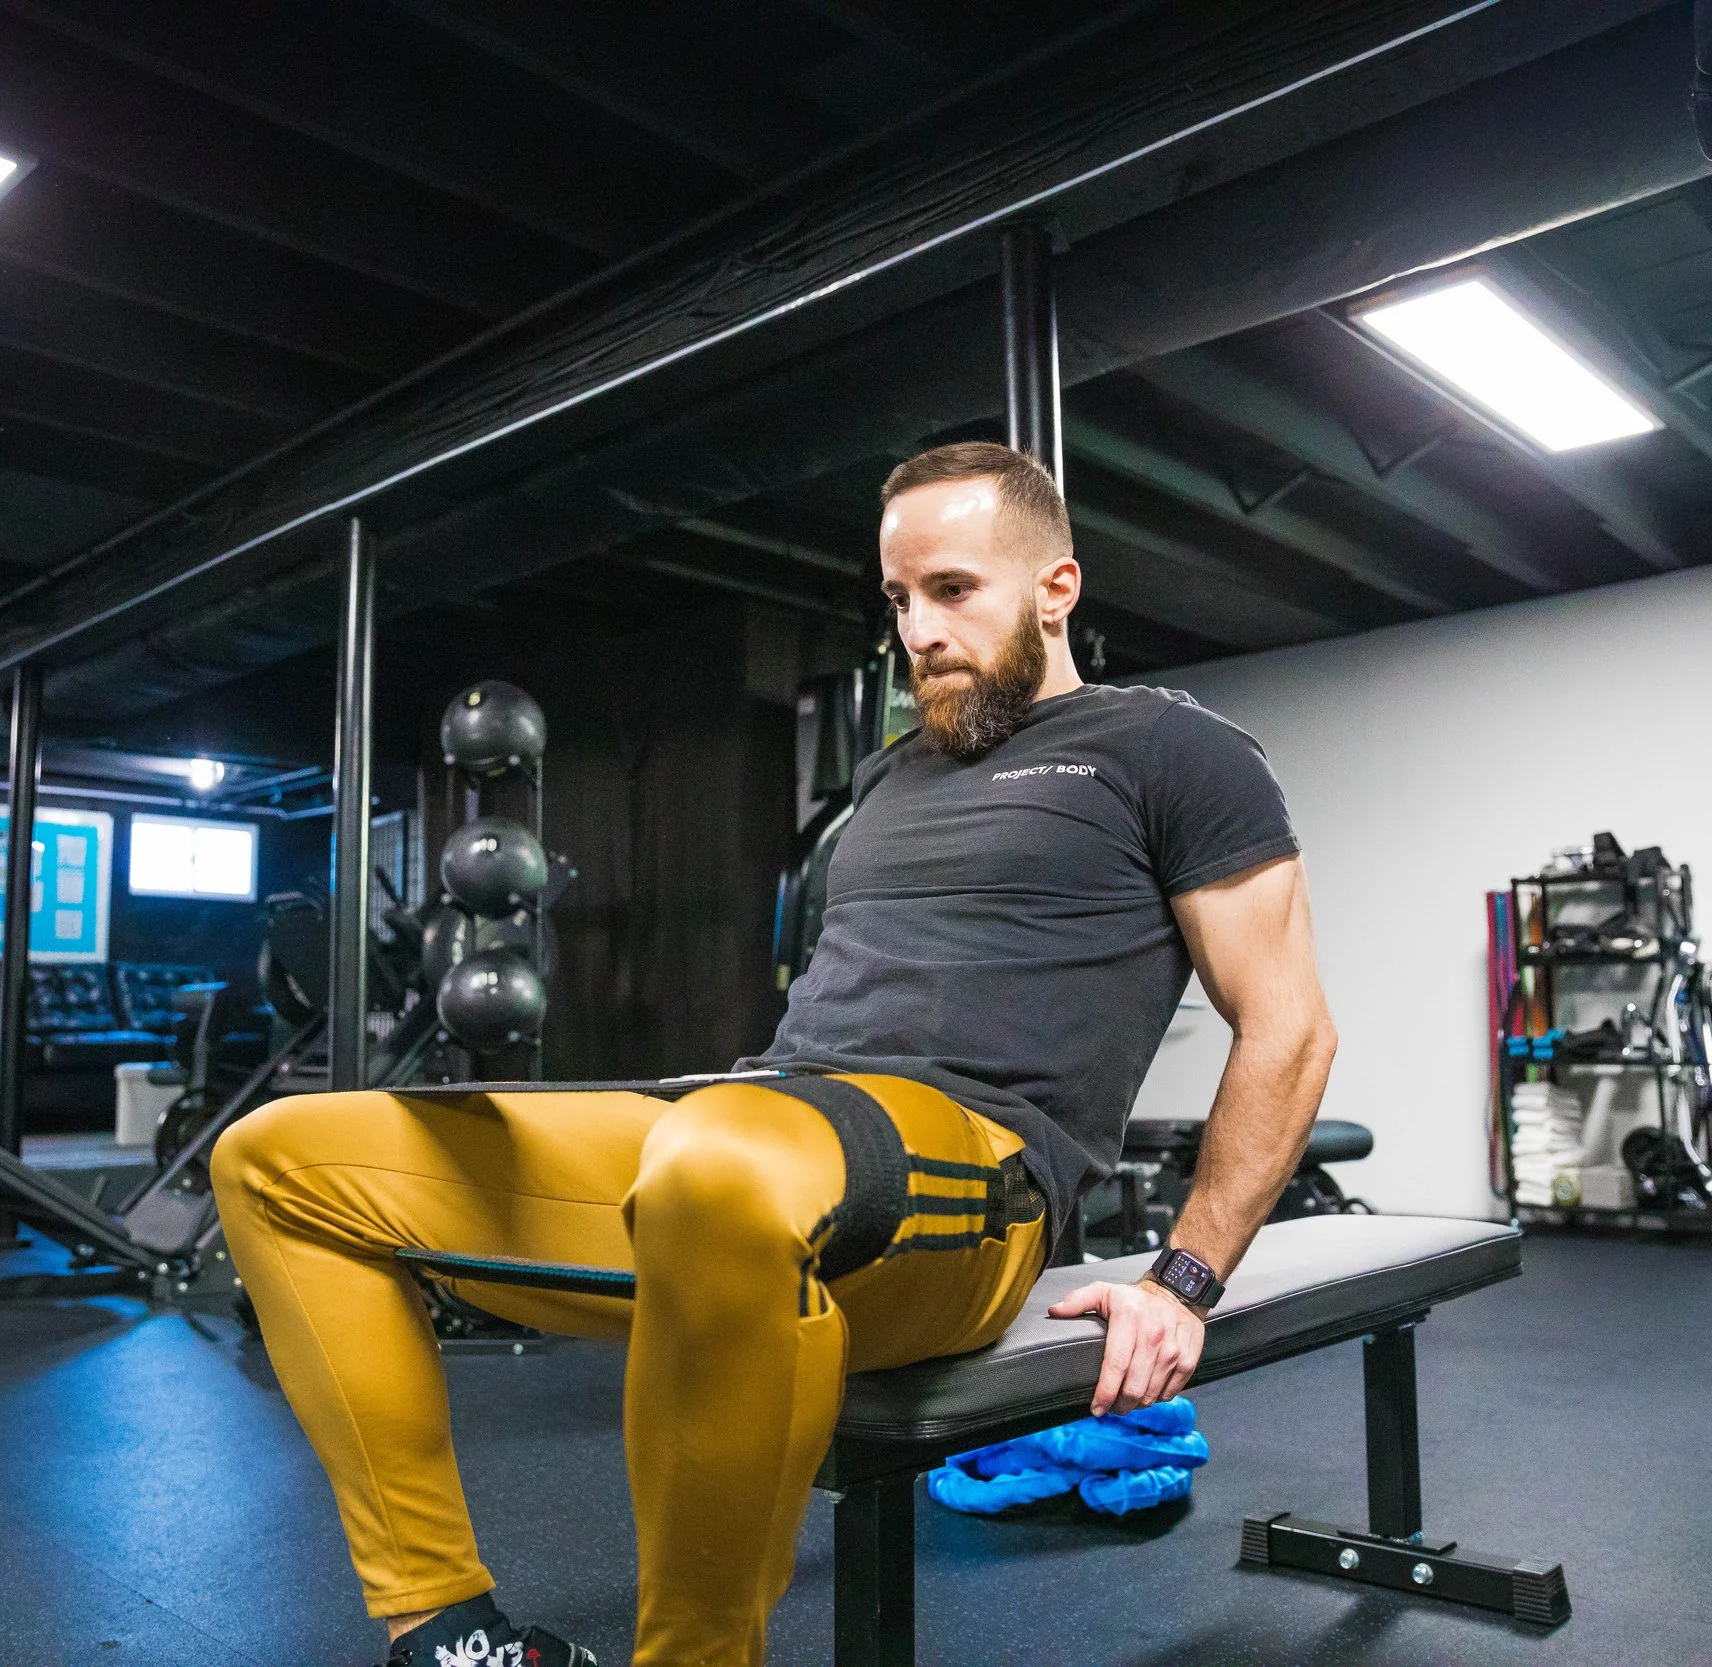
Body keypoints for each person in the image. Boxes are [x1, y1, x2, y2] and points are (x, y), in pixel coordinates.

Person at [212, 440, 1338, 1667]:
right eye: (899, 599)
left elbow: (1288, 1024)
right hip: (756, 1127)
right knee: (282, 1156)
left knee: (719, 1156)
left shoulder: (1170, 750)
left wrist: (1183, 1278)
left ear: (1056, 587)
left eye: (952, 589)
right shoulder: (889, 777)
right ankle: (446, 1628)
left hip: (975, 1180)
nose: (918, 630)